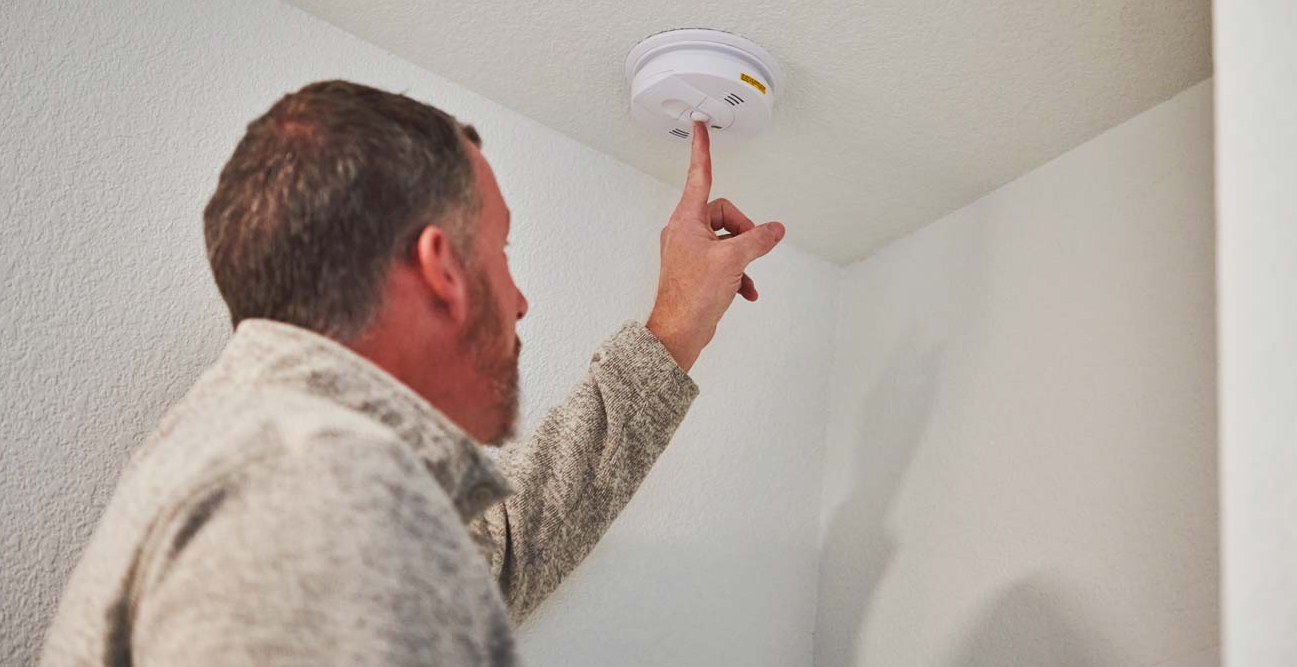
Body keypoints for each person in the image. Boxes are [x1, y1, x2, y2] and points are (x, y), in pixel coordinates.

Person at [38, 80, 786, 666]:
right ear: (440, 269)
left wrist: (674, 328)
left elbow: (500, 549)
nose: (520, 301)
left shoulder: (275, 462)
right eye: (501, 251)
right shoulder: (295, 506)